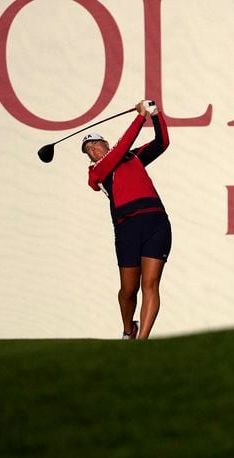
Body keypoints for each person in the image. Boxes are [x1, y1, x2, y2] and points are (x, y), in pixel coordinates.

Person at [82, 100, 171, 340]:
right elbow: (119, 151)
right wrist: (140, 117)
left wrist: (155, 113)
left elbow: (162, 143)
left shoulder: (132, 157)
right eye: (88, 149)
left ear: (105, 144)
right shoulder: (96, 172)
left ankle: (141, 342)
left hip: (156, 221)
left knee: (150, 285)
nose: (92, 150)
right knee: (128, 290)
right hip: (127, 228)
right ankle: (127, 329)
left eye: (95, 144)